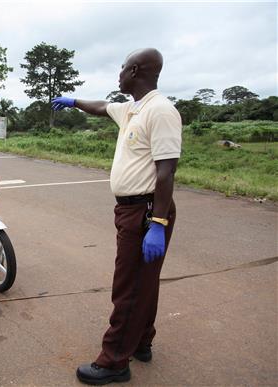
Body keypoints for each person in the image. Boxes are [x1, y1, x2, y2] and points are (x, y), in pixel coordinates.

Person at [52, 48, 182, 385]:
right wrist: (74, 101)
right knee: (144, 281)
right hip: (131, 210)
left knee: (129, 286)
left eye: (122, 68)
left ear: (135, 70)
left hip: (147, 212)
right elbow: (100, 107)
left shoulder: (160, 110)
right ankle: (141, 341)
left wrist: (158, 223)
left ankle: (113, 361)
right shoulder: (131, 109)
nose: (119, 73)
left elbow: (166, 172)